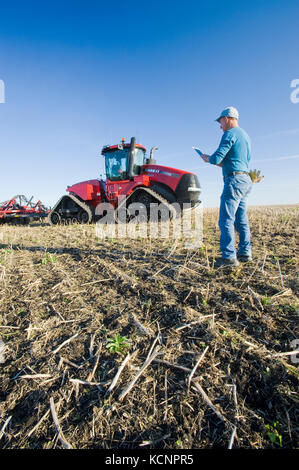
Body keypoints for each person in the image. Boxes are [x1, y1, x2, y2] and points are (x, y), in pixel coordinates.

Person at [200, 106, 253, 268]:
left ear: (227, 119)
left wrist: (208, 158)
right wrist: (216, 161)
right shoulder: (245, 136)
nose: (220, 125)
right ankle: (245, 253)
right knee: (241, 219)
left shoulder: (229, 134)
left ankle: (229, 257)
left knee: (225, 220)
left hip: (234, 181)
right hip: (245, 179)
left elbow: (217, 158)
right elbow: (237, 161)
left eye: (221, 121)